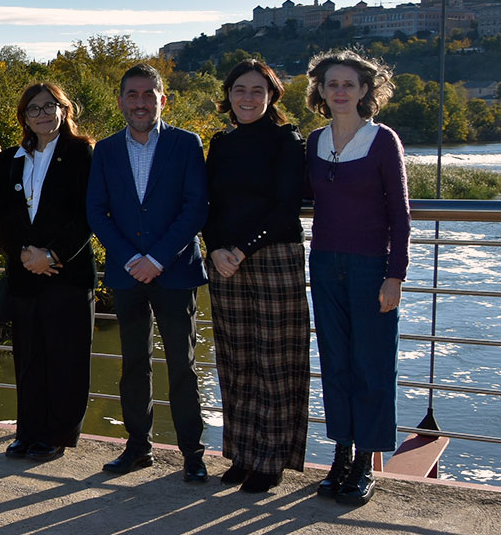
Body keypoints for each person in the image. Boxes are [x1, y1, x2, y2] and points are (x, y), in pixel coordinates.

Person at [87, 63, 210, 483]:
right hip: (126, 274)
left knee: (183, 364)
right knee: (133, 363)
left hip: (175, 271)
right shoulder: (104, 150)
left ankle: (192, 453)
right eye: (132, 95)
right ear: (120, 100)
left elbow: (195, 207)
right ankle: (138, 447)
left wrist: (156, 258)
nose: (140, 103)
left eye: (148, 94)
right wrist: (128, 258)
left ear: (163, 99)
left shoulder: (187, 143)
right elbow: (96, 211)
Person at [303, 51, 409, 506]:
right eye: (332, 84)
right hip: (324, 263)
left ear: (365, 90)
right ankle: (340, 455)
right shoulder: (313, 142)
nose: (340, 91)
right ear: (321, 92)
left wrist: (395, 276)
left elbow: (400, 216)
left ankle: (365, 462)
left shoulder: (383, 140)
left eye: (349, 84)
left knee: (372, 364)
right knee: (336, 363)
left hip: (371, 268)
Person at [204, 59, 309, 493]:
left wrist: (243, 249)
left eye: (256, 91)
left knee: (276, 361)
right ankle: (242, 453)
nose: (247, 98)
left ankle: (271, 459)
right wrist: (214, 249)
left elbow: (288, 204)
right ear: (228, 96)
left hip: (273, 257)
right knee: (236, 359)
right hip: (225, 261)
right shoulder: (221, 141)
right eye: (239, 90)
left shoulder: (286, 139)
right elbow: (206, 202)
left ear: (271, 96)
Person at [0, 83, 96, 462]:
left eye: (49, 106)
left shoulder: (81, 153)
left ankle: (57, 435)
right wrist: (23, 254)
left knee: (65, 358)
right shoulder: (9, 159)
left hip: (65, 273)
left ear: (64, 109)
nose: (43, 114)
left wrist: (51, 254)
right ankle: (28, 431)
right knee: (29, 358)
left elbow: (87, 214)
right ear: (24, 118)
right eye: (33, 109)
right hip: (24, 273)